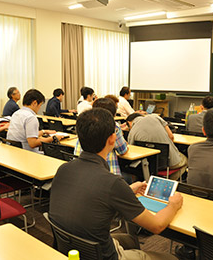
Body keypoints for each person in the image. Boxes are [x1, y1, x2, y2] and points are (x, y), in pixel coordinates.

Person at [50, 108, 182, 260]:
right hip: (103, 256)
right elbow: (157, 226)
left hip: (73, 249)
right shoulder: (111, 182)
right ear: (112, 139)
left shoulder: (64, 169)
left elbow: (95, 195)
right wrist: (173, 204)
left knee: (130, 240)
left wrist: (127, 190)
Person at [74, 98, 128, 176]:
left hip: (81, 174)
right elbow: (123, 150)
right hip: (108, 176)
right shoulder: (113, 126)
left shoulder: (85, 123)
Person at [127, 113, 187, 180]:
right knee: (185, 160)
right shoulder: (155, 117)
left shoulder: (132, 132)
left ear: (129, 123)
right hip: (168, 162)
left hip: (148, 166)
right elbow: (171, 136)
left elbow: (131, 150)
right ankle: (170, 180)